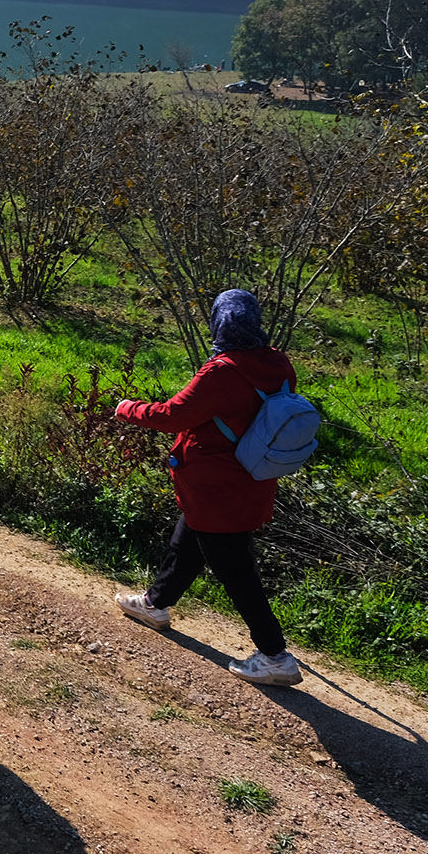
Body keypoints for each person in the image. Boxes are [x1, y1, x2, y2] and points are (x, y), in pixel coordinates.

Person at [110, 289, 305, 687]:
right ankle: (155, 604)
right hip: (250, 477)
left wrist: (127, 407)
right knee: (188, 541)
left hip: (218, 484)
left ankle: (274, 656)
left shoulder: (223, 371)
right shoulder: (277, 363)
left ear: (219, 322)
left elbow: (173, 415)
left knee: (236, 571)